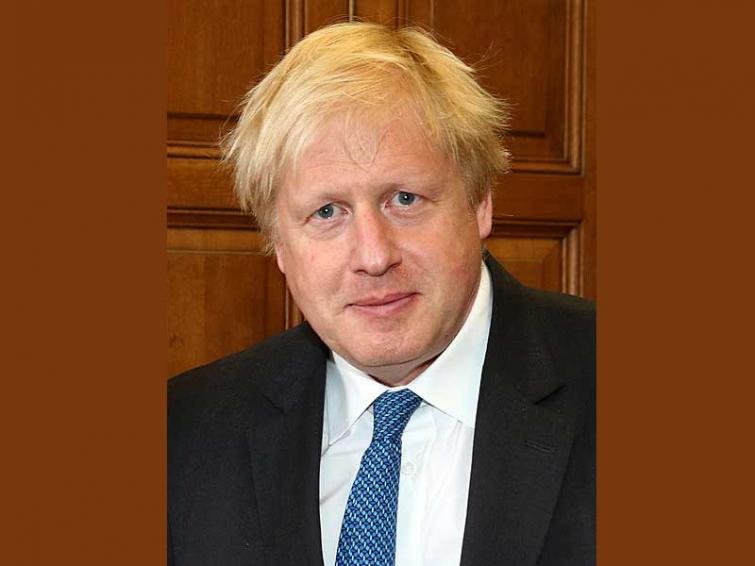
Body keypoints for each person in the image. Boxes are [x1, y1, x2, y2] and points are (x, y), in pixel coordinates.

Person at [168, 21, 594, 566]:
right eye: (327, 212)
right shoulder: (183, 434)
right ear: (279, 244)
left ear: (480, 202)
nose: (373, 256)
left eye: (405, 199)